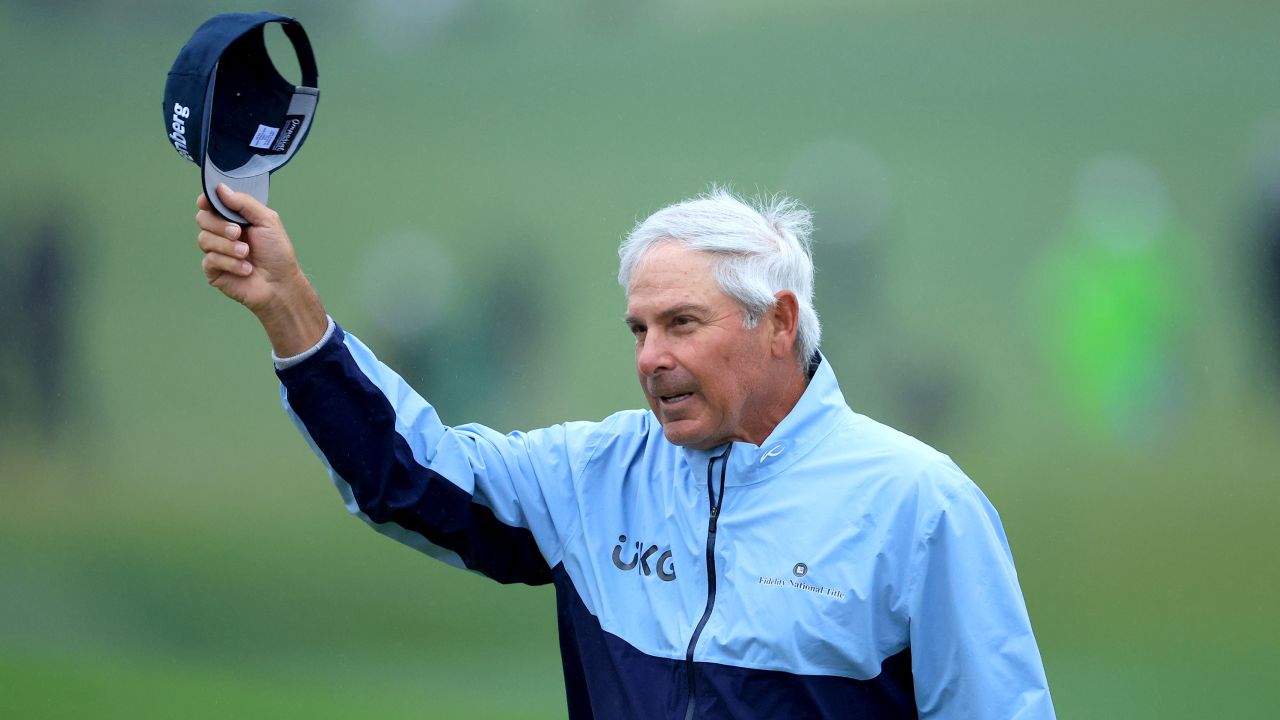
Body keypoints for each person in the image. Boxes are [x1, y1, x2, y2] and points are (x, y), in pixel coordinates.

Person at [195, 183, 1055, 719]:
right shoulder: (592, 476)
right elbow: (404, 474)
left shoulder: (918, 502)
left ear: (779, 323)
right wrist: (288, 307)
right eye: (640, 329)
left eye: (683, 323)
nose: (651, 356)